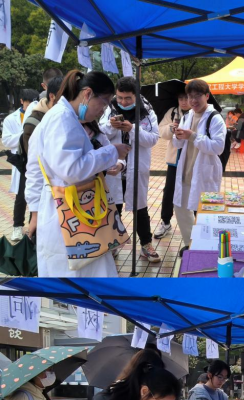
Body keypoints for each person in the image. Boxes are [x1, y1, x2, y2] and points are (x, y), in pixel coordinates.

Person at [25, 70, 130, 278]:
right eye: (103, 103)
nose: (102, 111)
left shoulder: (67, 117)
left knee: (87, 271)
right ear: (88, 93)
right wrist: (112, 152)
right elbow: (71, 169)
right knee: (79, 277)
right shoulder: (62, 119)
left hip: (72, 208)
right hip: (68, 210)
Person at [99, 77, 161, 263]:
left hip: (136, 166)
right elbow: (100, 134)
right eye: (120, 97)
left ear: (136, 95)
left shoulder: (147, 111)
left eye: (128, 98)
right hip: (114, 168)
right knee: (114, 208)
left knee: (140, 208)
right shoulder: (109, 108)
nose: (123, 102)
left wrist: (133, 129)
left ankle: (146, 245)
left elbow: (153, 139)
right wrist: (111, 126)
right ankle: (113, 244)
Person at [172, 79, 226, 254]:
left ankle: (206, 248)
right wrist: (177, 135)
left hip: (204, 173)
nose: (193, 101)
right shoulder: (187, 116)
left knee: (204, 213)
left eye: (197, 96)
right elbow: (178, 145)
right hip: (186, 171)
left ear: (207, 96)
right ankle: (191, 244)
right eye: (190, 97)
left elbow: (218, 147)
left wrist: (193, 136)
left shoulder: (214, 118)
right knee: (181, 209)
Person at [18, 78, 63, 240]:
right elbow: (35, 168)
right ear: (52, 96)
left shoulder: (70, 117)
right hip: (45, 193)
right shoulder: (35, 123)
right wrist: (35, 214)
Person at [153, 92, 191, 240]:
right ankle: (166, 222)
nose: (184, 101)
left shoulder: (198, 113)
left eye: (187, 98)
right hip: (175, 158)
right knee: (169, 190)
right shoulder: (173, 112)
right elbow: (161, 130)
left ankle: (198, 222)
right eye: (181, 98)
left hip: (192, 159)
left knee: (194, 190)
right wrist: (171, 128)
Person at [2, 89, 38, 241]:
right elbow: (6, 140)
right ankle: (17, 227)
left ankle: (32, 228)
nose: (30, 106)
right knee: (21, 195)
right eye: (27, 103)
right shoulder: (11, 119)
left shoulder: (38, 115)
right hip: (22, 162)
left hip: (35, 160)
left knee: (35, 195)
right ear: (22, 101)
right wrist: (25, 134)